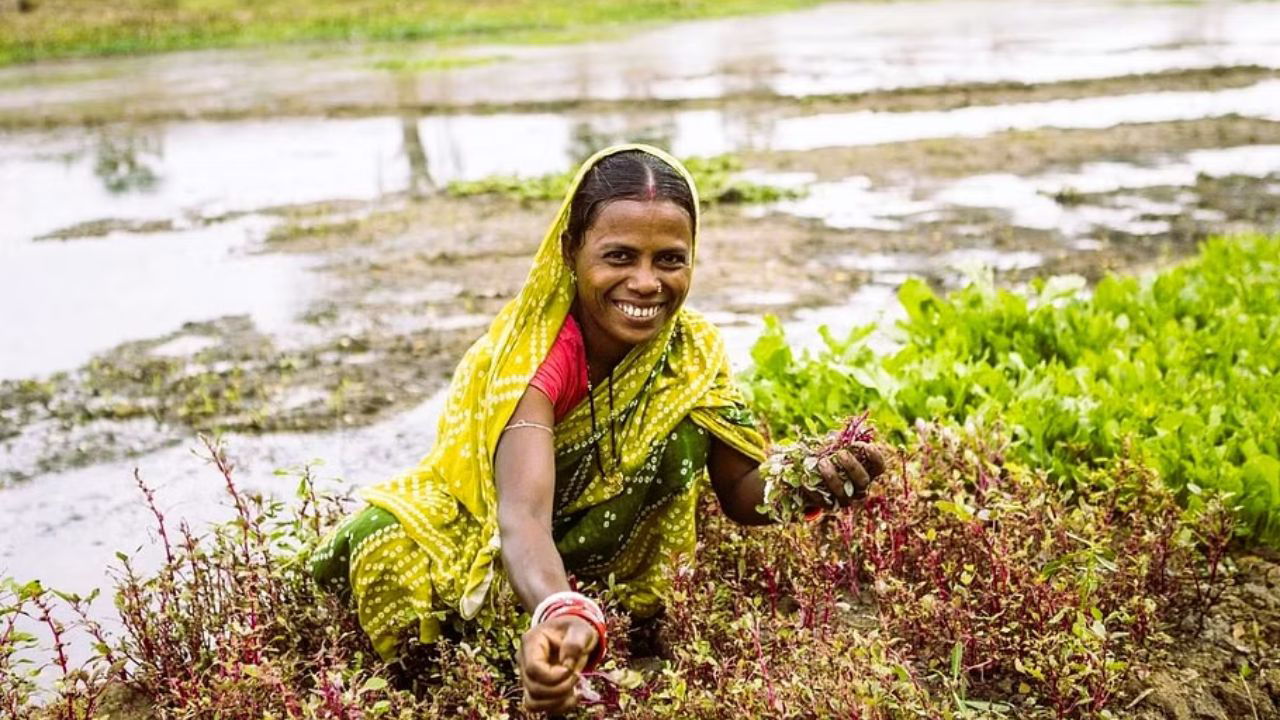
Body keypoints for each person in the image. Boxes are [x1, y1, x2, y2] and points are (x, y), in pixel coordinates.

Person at [311, 144, 884, 714]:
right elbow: (522, 517)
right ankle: (493, 654)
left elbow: (740, 492)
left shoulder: (692, 351)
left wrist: (809, 482)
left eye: (669, 260)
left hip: (588, 576)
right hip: (498, 546)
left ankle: (601, 619)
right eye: (618, 257)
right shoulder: (535, 360)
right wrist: (562, 611)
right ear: (570, 251)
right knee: (386, 540)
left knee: (683, 429)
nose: (645, 282)